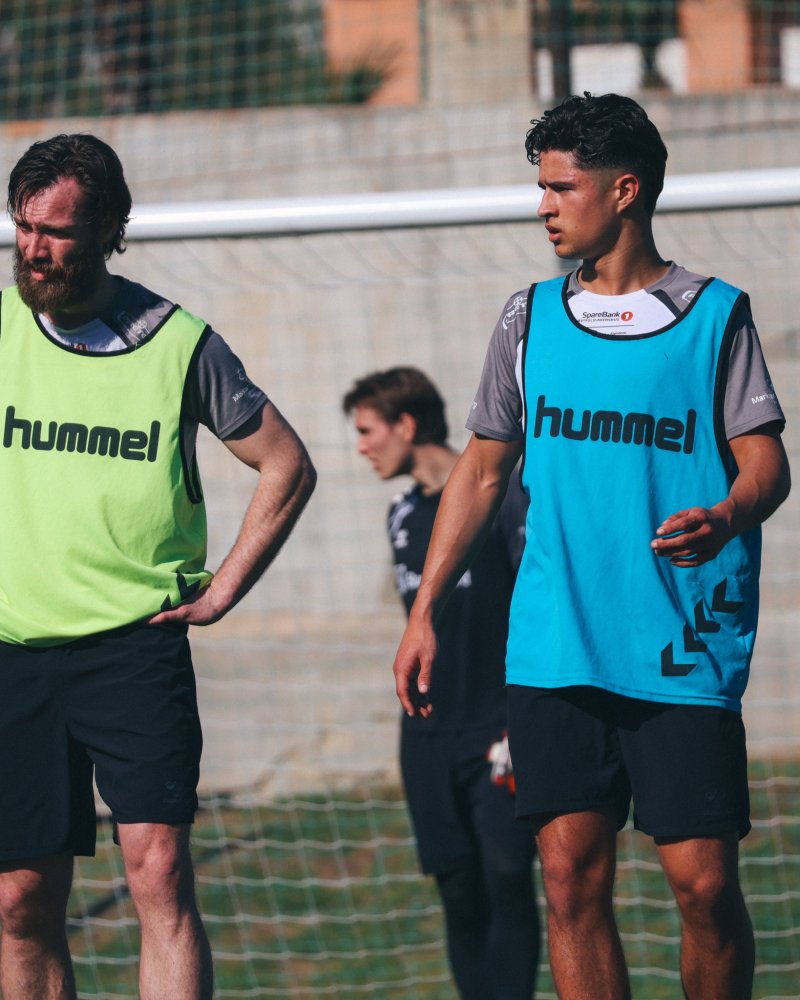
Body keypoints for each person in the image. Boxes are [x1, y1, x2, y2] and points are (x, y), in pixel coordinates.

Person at [392, 93, 791, 1000]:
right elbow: (482, 474)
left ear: (624, 191)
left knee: (704, 888)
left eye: (559, 187)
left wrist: (728, 514)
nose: (542, 205)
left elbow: (768, 463)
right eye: (541, 186)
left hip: (678, 649)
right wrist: (425, 614)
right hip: (552, 647)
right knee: (570, 879)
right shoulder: (526, 319)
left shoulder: (715, 316)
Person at [0, 133, 316, 1000]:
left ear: (108, 228)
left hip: (134, 653)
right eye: (21, 227)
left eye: (55, 231)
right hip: (14, 655)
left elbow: (287, 463)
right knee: (21, 902)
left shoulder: (179, 345)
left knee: (160, 875)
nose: (33, 248)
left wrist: (223, 590)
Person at [342, 367, 539, 1000]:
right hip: (428, 735)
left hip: (499, 726)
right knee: (458, 888)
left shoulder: (501, 495)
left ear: (406, 425)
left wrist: (522, 720)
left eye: (368, 430)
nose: (362, 446)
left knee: (508, 874)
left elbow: (533, 610)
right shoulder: (401, 515)